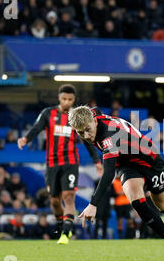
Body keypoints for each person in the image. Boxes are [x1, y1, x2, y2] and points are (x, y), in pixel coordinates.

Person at [69, 105, 164, 261]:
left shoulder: (108, 137)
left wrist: (93, 204)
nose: (86, 135)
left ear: (94, 122)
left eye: (87, 129)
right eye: (80, 132)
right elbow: (89, 113)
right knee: (137, 202)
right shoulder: (91, 115)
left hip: (148, 159)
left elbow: (109, 174)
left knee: (163, 205)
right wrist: (95, 159)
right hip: (126, 164)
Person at [17, 84, 103, 245]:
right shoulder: (48, 113)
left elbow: (87, 140)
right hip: (51, 164)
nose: (66, 102)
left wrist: (96, 161)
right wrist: (25, 139)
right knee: (55, 201)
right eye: (64, 99)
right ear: (59, 98)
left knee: (68, 197)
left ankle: (66, 231)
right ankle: (61, 225)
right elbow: (36, 128)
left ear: (74, 100)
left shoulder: (75, 117)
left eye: (70, 99)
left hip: (70, 162)